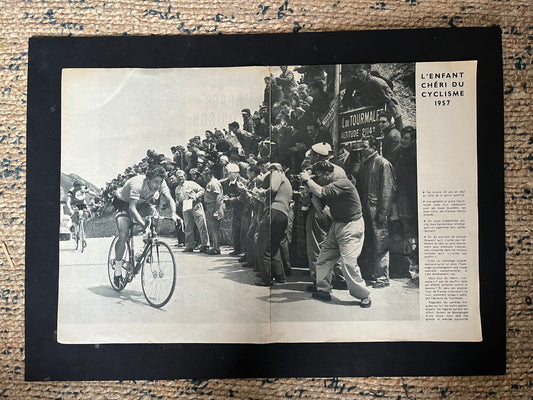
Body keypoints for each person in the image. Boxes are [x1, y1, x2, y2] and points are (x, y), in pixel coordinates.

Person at [299, 161, 371, 307]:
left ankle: (364, 295)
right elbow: (320, 209)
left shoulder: (342, 183)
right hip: (337, 224)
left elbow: (320, 191)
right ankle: (323, 289)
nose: (316, 179)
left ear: (328, 174)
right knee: (324, 258)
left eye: (318, 176)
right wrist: (310, 191)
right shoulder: (327, 186)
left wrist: (307, 179)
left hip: (351, 225)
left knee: (348, 263)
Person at [111, 166, 180, 287]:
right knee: (123, 234)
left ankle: (143, 250)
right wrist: (143, 226)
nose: (158, 185)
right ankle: (117, 270)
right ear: (148, 179)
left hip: (141, 202)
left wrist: (174, 213)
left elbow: (170, 199)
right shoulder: (137, 184)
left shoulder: (161, 182)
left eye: (160, 182)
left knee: (154, 215)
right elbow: (132, 208)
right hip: (123, 202)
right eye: (155, 182)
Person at [352, 140, 396, 288]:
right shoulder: (365, 164)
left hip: (377, 211)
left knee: (380, 244)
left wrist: (383, 212)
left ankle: (382, 278)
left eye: (364, 147)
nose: (361, 150)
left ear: (373, 147)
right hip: (365, 211)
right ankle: (370, 274)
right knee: (368, 243)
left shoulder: (383, 164)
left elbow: (387, 190)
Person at [255, 163, 292, 286]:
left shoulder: (275, 174)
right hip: (283, 214)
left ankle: (266, 278)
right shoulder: (287, 181)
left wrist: (262, 192)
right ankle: (280, 276)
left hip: (273, 212)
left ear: (273, 169)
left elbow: (273, 189)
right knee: (274, 246)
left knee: (263, 246)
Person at [174, 170, 209, 253]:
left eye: (181, 177)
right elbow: (178, 198)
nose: (180, 179)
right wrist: (178, 202)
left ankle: (205, 245)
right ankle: (189, 246)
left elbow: (202, 190)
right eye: (178, 177)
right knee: (188, 228)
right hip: (186, 207)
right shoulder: (177, 188)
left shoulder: (191, 183)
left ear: (185, 176)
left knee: (202, 226)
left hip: (195, 206)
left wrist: (196, 196)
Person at [221, 163, 248, 256]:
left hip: (244, 209)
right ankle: (237, 249)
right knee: (235, 229)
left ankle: (245, 250)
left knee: (244, 230)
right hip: (235, 209)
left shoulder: (243, 182)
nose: (227, 175)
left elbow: (243, 196)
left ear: (235, 173)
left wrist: (231, 199)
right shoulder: (227, 183)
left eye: (229, 173)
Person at [202, 168, 224, 255]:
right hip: (210, 206)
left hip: (214, 206)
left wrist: (216, 210)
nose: (203, 178)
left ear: (209, 175)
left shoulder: (214, 183)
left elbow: (218, 197)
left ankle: (216, 248)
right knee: (213, 228)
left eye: (204, 175)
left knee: (215, 229)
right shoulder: (210, 183)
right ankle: (214, 247)